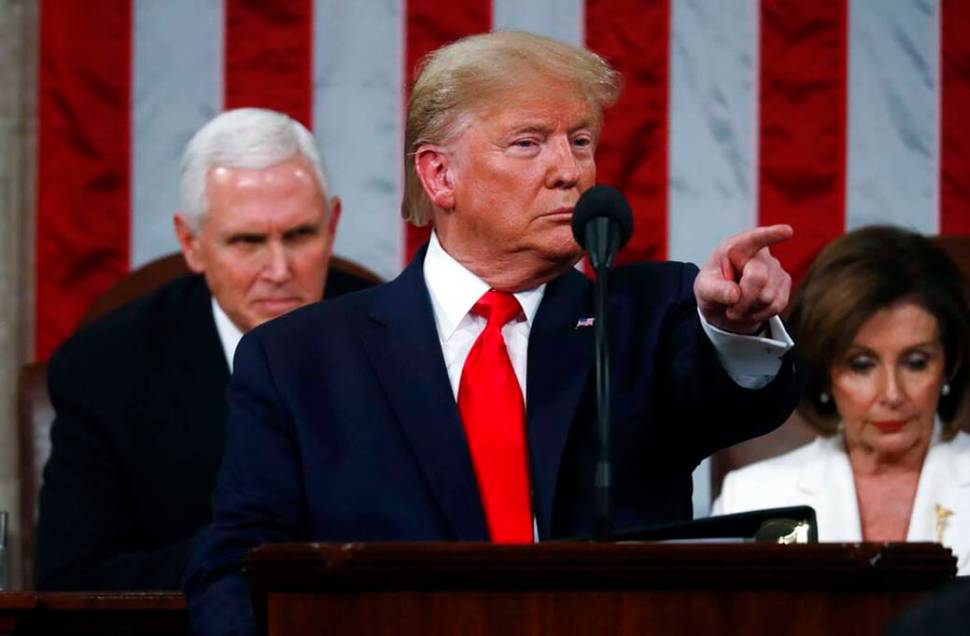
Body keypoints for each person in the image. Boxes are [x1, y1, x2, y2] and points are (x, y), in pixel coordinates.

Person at [184, 32, 800, 634]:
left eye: (580, 140)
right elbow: (238, 564)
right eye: (529, 143)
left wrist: (734, 327)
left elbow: (732, 403)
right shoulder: (300, 359)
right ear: (439, 176)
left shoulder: (646, 315)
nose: (570, 170)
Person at [35, 108, 376, 590]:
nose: (278, 269)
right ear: (191, 243)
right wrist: (255, 557)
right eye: (247, 241)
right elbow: (71, 579)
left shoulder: (391, 333)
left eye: (300, 235)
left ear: (333, 223)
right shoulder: (104, 368)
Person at [713, 226, 970, 575]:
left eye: (916, 362)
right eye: (861, 365)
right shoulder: (751, 499)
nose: (892, 394)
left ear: (949, 366)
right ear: (826, 373)